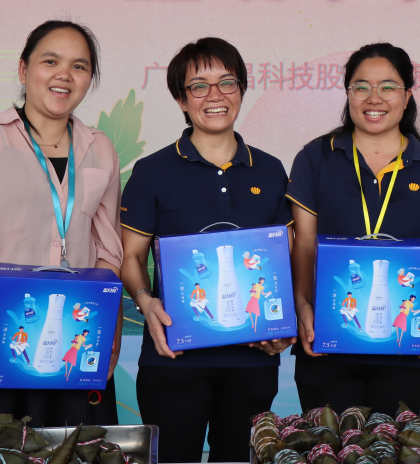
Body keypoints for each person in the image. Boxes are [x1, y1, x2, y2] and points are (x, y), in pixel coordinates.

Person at [0, 20, 124, 434]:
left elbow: (108, 252)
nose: (64, 75)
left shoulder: (100, 148)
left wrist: (110, 333)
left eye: (79, 66)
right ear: (23, 69)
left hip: (74, 334)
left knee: (70, 451)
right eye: (51, 61)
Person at [119, 37, 293, 464]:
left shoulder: (270, 170)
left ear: (242, 90)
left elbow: (284, 259)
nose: (215, 96)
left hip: (253, 359)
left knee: (237, 458)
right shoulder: (153, 171)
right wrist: (145, 301)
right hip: (173, 357)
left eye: (227, 83)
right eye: (199, 86)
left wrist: (284, 323)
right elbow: (130, 257)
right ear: (181, 99)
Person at [289, 42, 420, 414]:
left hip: (406, 347)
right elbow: (303, 244)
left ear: (407, 95)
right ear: (348, 93)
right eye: (361, 87)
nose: (374, 98)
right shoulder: (315, 158)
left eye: (388, 87)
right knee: (329, 442)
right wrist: (302, 305)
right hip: (327, 338)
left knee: (396, 441)